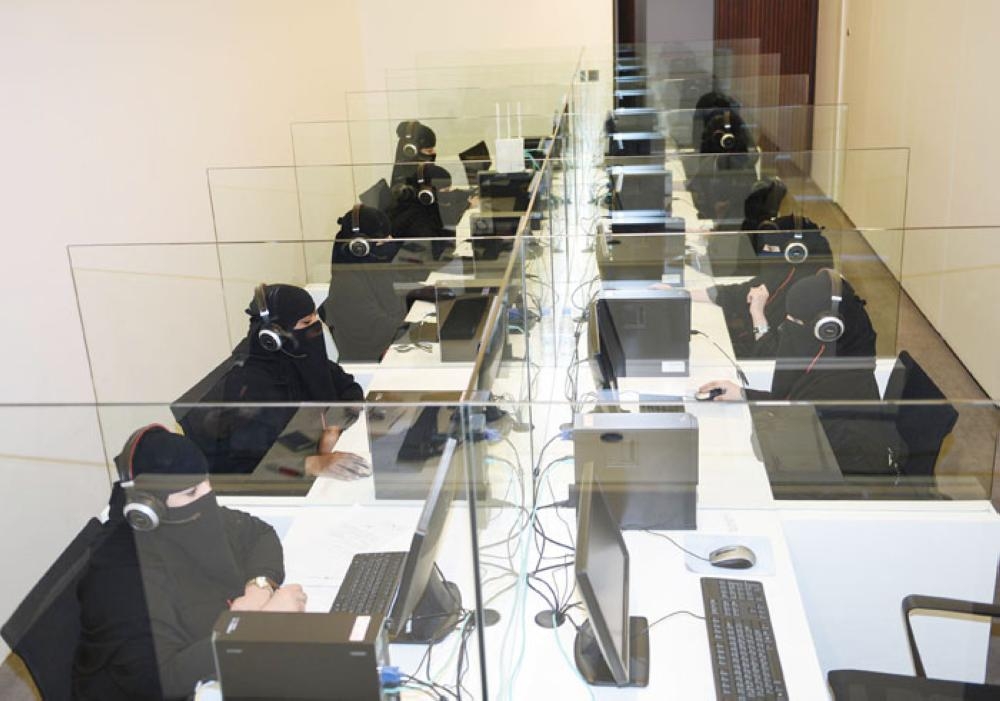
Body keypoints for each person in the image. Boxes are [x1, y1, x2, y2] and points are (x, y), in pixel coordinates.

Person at [73, 426, 306, 701]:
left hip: (206, 651)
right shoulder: (121, 579)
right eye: (192, 492)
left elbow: (258, 534)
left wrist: (259, 588)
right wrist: (261, 625)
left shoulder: (185, 518)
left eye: (207, 483)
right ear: (149, 509)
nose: (208, 498)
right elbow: (163, 679)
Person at [699, 270, 905, 475]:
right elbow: (802, 405)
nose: (788, 328)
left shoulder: (840, 387)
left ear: (828, 329)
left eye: (796, 323)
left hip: (843, 492)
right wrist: (744, 394)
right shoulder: (836, 364)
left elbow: (792, 440)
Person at [186, 283, 369, 477]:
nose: (317, 327)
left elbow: (349, 387)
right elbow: (244, 462)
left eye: (316, 316)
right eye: (307, 322)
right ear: (274, 336)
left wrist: (333, 427)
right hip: (270, 489)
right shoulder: (248, 386)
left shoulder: (304, 358)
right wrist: (314, 464)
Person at [692, 214, 836, 358]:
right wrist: (683, 294)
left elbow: (769, 355)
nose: (765, 252)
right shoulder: (784, 274)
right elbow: (738, 293)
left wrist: (757, 313)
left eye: (771, 249)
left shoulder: (809, 303)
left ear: (796, 254)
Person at [325, 204, 429, 361]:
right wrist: (426, 329)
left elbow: (396, 287)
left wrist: (426, 291)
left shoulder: (371, 267)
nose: (391, 241)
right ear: (360, 247)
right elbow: (377, 327)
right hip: (373, 359)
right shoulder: (346, 284)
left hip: (392, 346)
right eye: (384, 239)